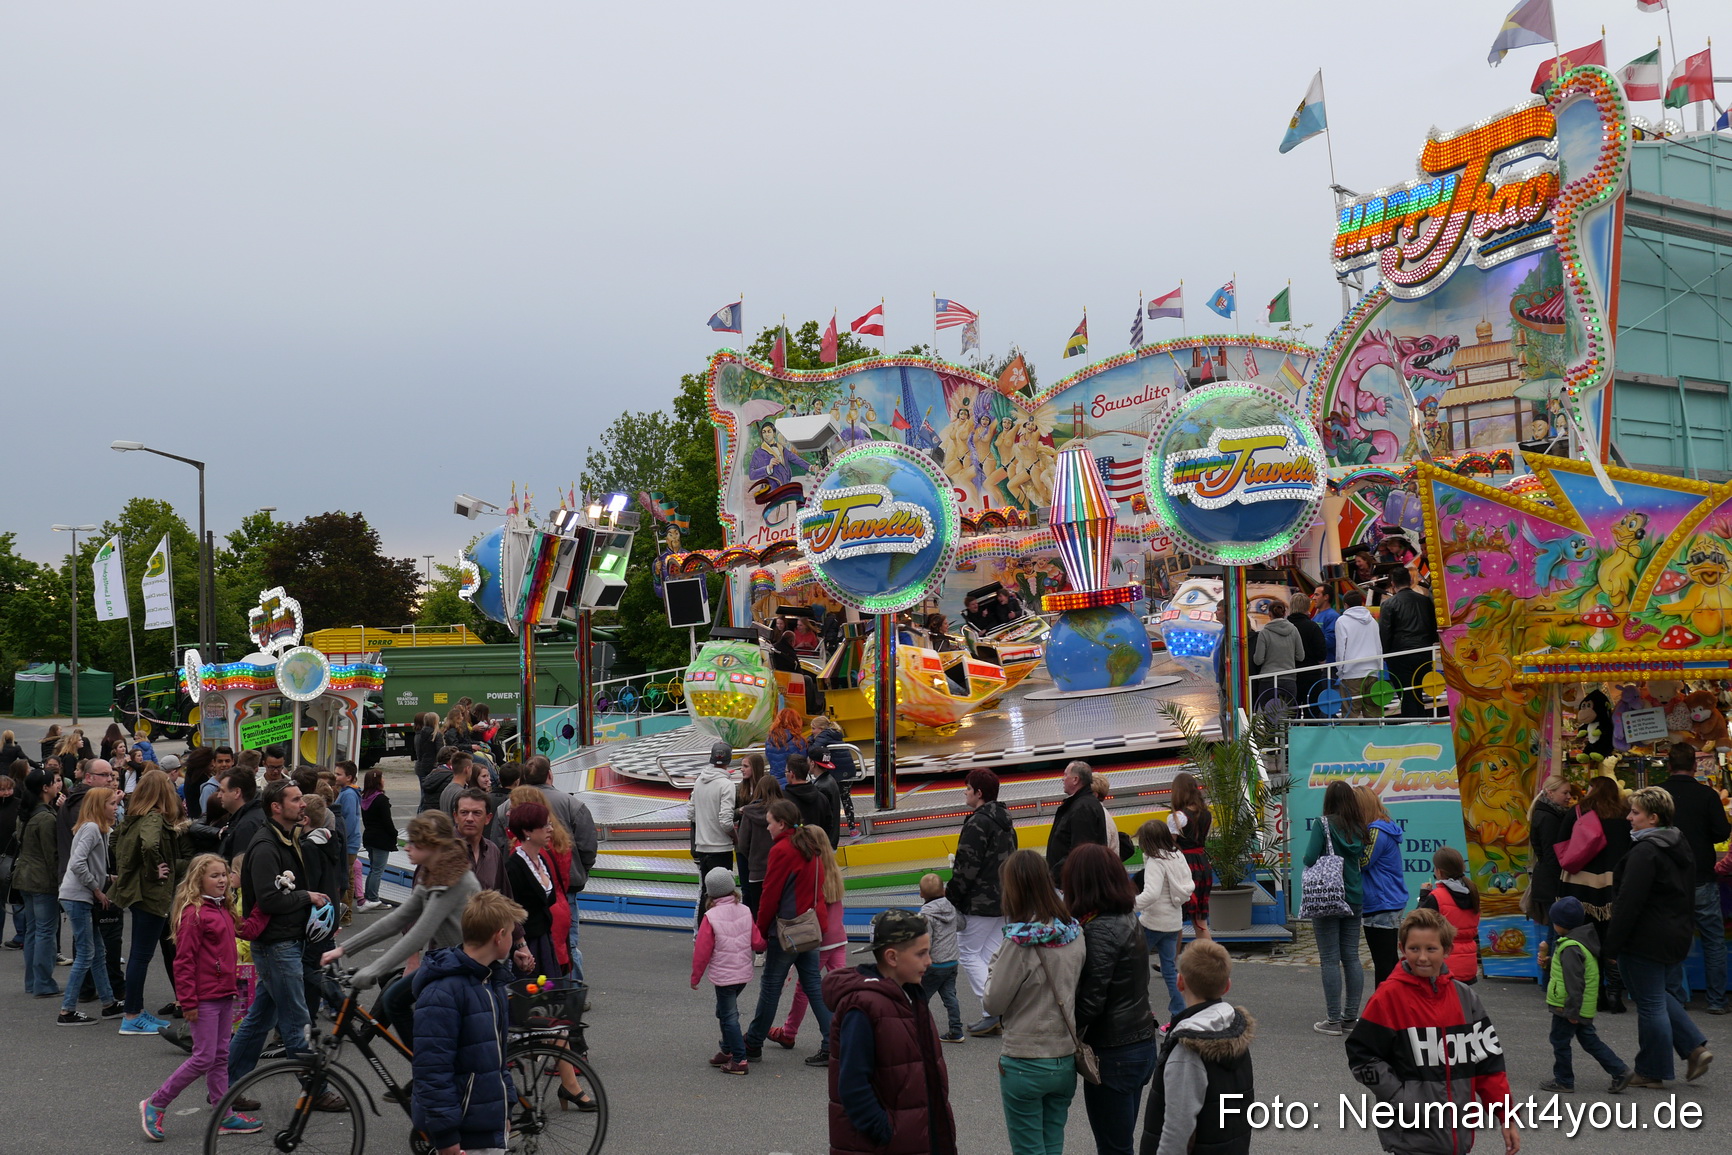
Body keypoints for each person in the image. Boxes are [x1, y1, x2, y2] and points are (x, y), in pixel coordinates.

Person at [1344, 908, 1519, 1155]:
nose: (1423, 957)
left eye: (1431, 949)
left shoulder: (1465, 998)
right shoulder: (1388, 998)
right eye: (1414, 949)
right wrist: (1401, 1098)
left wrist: (1506, 1115)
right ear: (1402, 948)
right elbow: (1361, 1056)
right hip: (1411, 1138)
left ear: (1447, 950)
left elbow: (1488, 1063)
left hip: (1458, 1137)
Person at [324, 810, 494, 1055]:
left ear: (433, 846)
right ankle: (425, 1064)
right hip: (449, 962)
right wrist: (344, 948)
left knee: (402, 1004)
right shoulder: (434, 873)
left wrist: (373, 969)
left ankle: (426, 1067)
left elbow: (420, 932)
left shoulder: (453, 881)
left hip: (466, 969)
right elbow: (398, 919)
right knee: (396, 1000)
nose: (407, 847)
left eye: (415, 842)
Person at [141, 854, 258, 1141]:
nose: (221, 880)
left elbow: (249, 930)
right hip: (204, 998)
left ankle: (224, 1113)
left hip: (224, 994)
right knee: (204, 1056)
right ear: (198, 880)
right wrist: (188, 1002)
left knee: (219, 1056)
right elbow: (183, 962)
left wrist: (270, 906)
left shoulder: (223, 909)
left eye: (224, 875)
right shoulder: (194, 914)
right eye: (214, 875)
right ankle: (155, 1103)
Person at [822, 908, 958, 1155]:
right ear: (892, 957)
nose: (929, 961)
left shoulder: (910, 995)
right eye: (921, 954)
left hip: (916, 1134)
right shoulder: (863, 1006)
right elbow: (853, 1083)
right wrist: (886, 1132)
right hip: (887, 1143)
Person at [1602, 785, 1712, 1087]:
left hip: (1645, 936)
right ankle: (1694, 1048)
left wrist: (1612, 943)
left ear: (1652, 817)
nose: (1629, 818)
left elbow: (1629, 901)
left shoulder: (1646, 851)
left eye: (1635, 812)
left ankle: (1653, 1070)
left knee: (1650, 1003)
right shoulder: (1679, 843)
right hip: (1674, 932)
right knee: (1657, 995)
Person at [228, 781, 332, 1089]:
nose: (303, 804)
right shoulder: (265, 847)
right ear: (277, 807)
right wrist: (306, 897)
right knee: (297, 1021)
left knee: (259, 1020)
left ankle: (227, 1085)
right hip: (276, 946)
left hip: (285, 942)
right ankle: (317, 1089)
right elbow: (268, 899)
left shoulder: (287, 837)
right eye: (296, 799)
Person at [982, 848, 1085, 1155]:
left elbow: (993, 1002)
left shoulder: (1018, 941)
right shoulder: (1074, 931)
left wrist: (995, 961)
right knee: (1052, 1143)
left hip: (1025, 1059)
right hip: (1064, 1055)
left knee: (1028, 1148)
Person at [413, 890, 527, 1155]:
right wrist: (447, 1138)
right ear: (499, 936)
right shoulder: (443, 994)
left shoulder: (492, 983)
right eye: (511, 933)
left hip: (488, 1122)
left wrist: (506, 1107)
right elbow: (432, 1072)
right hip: (464, 1133)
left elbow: (498, 1060)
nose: (513, 939)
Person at [1065, 842, 1158, 1155]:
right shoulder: (1127, 918)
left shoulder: (1099, 929)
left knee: (1114, 1148)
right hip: (1139, 1043)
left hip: (1115, 1052)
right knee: (1120, 1143)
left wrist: (1059, 1033)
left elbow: (1092, 1001)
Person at [1141, 941, 1255, 1155]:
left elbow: (1177, 1130)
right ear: (1227, 985)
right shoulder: (1235, 1030)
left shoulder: (1187, 1050)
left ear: (1180, 982)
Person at [742, 800, 832, 1065]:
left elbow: (770, 894)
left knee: (770, 987)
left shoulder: (782, 849)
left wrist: (759, 929)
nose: (767, 827)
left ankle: (754, 1042)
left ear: (781, 823)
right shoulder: (811, 847)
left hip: (786, 930)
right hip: (809, 928)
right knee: (814, 987)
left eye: (769, 822)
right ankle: (832, 1042)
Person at [1657, 740, 1732, 1015]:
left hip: (1666, 877)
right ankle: (1716, 1000)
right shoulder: (1708, 795)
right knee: (1713, 941)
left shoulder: (1658, 794)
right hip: (1701, 876)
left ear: (1669, 765)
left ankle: (1676, 999)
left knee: (1673, 939)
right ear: (1694, 765)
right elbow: (1722, 833)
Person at [113, 768, 186, 1035]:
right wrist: (154, 868)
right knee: (141, 956)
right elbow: (148, 846)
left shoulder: (134, 817)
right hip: (152, 895)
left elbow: (114, 840)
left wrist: (130, 867)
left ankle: (136, 1011)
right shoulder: (154, 817)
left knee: (139, 955)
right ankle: (132, 1015)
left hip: (139, 892)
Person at [1538, 896, 1633, 1095]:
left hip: (1568, 1006)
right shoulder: (1578, 942)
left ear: (1560, 925)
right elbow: (1567, 972)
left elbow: (1574, 982)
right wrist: (1547, 963)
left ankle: (1564, 1080)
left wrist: (1571, 1010)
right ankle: (1619, 1070)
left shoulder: (1570, 948)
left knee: (1560, 1041)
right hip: (1580, 1006)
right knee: (1589, 1041)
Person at [949, 768, 1017, 1036]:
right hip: (1003, 898)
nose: (964, 792)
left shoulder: (978, 822)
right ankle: (1002, 1008)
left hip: (979, 901)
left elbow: (967, 865)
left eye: (967, 788)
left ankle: (991, 1011)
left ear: (978, 793)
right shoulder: (1005, 820)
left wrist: (952, 896)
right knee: (990, 956)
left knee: (967, 952)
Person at [1556, 774, 1633, 1014]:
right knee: (1613, 937)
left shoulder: (1579, 811)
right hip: (1614, 882)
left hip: (1581, 881)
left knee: (1586, 938)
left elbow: (1561, 842)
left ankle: (1595, 993)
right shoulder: (1625, 815)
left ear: (1593, 790)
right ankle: (1614, 995)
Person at [768, 827, 847, 1051]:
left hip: (818, 938)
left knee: (805, 988)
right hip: (839, 938)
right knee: (842, 987)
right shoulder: (834, 870)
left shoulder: (814, 871)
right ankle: (852, 1029)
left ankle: (789, 1032)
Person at [1303, 781, 1366, 1035]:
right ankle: (1350, 1017)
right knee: (1351, 956)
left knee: (1330, 958)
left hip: (1328, 896)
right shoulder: (1360, 827)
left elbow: (1309, 857)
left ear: (1329, 800)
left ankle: (1332, 1020)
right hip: (1353, 895)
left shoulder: (1323, 824)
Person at [58, 785, 123, 1025]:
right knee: (86, 954)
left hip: (79, 895)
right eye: (111, 804)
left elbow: (90, 865)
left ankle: (108, 1003)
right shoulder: (93, 828)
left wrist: (107, 880)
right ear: (99, 806)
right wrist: (97, 890)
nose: (116, 808)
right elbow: (77, 864)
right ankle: (67, 1011)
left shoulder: (97, 829)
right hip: (78, 896)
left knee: (97, 952)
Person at [692, 866, 766, 1075]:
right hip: (742, 974)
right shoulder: (744, 910)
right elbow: (757, 942)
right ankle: (726, 1049)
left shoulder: (711, 916)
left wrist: (696, 976)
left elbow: (702, 950)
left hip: (724, 976)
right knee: (724, 1011)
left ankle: (739, 1059)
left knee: (728, 1016)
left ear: (710, 892)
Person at [1132, 820, 1193, 1020]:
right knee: (1169, 970)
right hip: (1173, 922)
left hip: (1152, 923)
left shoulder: (1155, 862)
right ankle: (1179, 1014)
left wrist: (1129, 905)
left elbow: (1151, 894)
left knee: (1135, 968)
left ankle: (1141, 1013)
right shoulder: (1177, 855)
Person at [505, 801, 571, 981]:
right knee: (529, 996)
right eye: (545, 825)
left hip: (544, 941)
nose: (550, 829)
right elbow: (509, 912)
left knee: (546, 995)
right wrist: (520, 946)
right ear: (527, 831)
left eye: (550, 824)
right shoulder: (514, 867)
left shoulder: (541, 859)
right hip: (526, 945)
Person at [15, 770, 63, 998]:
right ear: (45, 788)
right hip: (41, 880)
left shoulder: (26, 813)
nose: (58, 785)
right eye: (54, 782)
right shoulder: (45, 817)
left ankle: (33, 982)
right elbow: (51, 856)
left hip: (25, 878)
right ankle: (43, 982)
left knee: (34, 931)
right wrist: (60, 885)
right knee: (45, 931)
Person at [1356, 786, 1409, 987]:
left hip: (1381, 902)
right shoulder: (1384, 826)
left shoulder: (1376, 830)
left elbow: (1364, 861)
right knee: (1388, 961)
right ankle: (1395, 1006)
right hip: (1387, 900)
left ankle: (1384, 1011)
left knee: (1384, 964)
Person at [1378, 566, 1438, 717]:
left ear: (1393, 583)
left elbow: (1385, 633)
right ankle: (1422, 722)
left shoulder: (1388, 604)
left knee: (1406, 694)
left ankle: (1412, 727)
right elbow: (1433, 625)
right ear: (1410, 580)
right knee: (1418, 692)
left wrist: (1385, 654)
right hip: (1423, 651)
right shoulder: (1425, 601)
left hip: (1400, 654)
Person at [688, 742, 737, 922]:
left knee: (706, 895)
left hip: (702, 847)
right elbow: (725, 821)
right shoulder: (726, 785)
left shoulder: (700, 781)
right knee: (723, 897)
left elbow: (690, 813)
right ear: (728, 761)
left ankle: (702, 936)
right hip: (721, 848)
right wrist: (735, 837)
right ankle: (720, 936)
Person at [1526, 776, 1574, 958]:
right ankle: (1552, 977)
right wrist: (1562, 880)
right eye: (1565, 792)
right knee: (1555, 933)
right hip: (1552, 883)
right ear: (1550, 792)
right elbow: (1551, 854)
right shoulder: (1549, 817)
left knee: (1553, 931)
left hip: (1547, 880)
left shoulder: (1547, 813)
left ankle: (1550, 977)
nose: (1569, 796)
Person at [1419, 847, 1481, 985]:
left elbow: (1418, 924)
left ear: (1439, 871)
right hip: (1468, 964)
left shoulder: (1436, 897)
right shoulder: (1472, 893)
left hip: (1445, 965)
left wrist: (1423, 895)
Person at [917, 873, 965, 1042]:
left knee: (920, 997)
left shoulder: (925, 915)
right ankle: (956, 1030)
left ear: (921, 894)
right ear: (944, 891)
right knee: (950, 996)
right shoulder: (951, 907)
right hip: (951, 962)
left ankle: (917, 1030)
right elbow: (961, 924)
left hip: (935, 964)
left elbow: (925, 941)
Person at [1047, 760, 1110, 887]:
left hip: (1075, 884)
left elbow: (1079, 851)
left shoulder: (1083, 808)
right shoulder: (1080, 804)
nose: (1062, 779)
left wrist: (1054, 876)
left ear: (1075, 780)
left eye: (1065, 775)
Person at [1166, 772, 1213, 943]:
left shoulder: (1177, 817)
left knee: (1175, 919)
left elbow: (1169, 847)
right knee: (1200, 922)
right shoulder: (1207, 814)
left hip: (1183, 866)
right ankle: (1208, 962)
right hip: (1202, 864)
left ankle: (1172, 964)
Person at [734, 775, 781, 918]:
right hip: (779, 869)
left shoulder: (748, 812)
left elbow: (742, 843)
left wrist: (752, 857)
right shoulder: (784, 809)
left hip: (756, 870)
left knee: (758, 911)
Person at [1335, 590, 1385, 716]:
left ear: (1345, 605)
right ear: (1362, 603)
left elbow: (1341, 649)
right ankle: (1374, 736)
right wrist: (1379, 668)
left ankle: (1351, 737)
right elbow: (1379, 646)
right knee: (1373, 712)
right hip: (1372, 670)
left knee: (1351, 713)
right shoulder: (1372, 621)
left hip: (1351, 672)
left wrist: (1340, 671)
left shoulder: (1342, 621)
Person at [807, 715, 858, 835]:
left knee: (830, 803)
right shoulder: (835, 733)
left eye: (814, 728)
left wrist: (809, 741)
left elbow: (814, 749)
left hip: (836, 773)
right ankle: (852, 829)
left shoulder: (824, 735)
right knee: (846, 799)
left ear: (821, 728)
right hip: (846, 771)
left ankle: (831, 831)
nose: (812, 731)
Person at [1251, 598, 1304, 706]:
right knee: (1288, 716)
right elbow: (1301, 656)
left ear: (1269, 613)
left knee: (1269, 718)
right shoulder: (1293, 630)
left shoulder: (1264, 633)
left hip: (1268, 681)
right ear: (1285, 613)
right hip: (1288, 679)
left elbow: (1258, 660)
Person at [358, 769, 395, 911]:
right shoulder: (381, 799)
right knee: (378, 870)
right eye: (382, 778)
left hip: (369, 836)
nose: (384, 780)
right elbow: (387, 821)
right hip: (381, 839)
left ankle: (368, 896)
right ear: (377, 781)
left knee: (373, 869)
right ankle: (373, 898)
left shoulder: (365, 798)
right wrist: (394, 834)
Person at [1287, 593, 1328, 716]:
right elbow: (1321, 652)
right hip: (1311, 674)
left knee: (1292, 713)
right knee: (1312, 712)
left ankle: (1292, 735)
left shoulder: (1285, 626)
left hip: (1289, 674)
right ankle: (1311, 735)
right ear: (1307, 607)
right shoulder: (1312, 627)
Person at [216, 770, 265, 866]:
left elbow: (240, 868)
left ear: (237, 792)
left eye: (222, 791)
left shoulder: (246, 826)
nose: (218, 796)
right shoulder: (252, 816)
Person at [764, 709, 807, 786]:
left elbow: (768, 757)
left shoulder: (769, 739)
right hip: (793, 782)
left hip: (774, 782)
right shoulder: (799, 741)